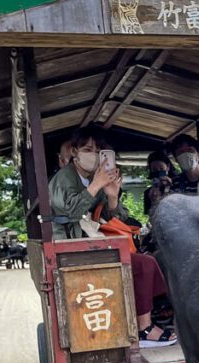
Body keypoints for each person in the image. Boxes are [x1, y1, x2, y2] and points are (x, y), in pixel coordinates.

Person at [47, 126, 176, 348]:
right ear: (75, 152)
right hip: (73, 248)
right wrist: (97, 185)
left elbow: (115, 217)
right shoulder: (63, 178)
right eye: (88, 149)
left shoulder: (91, 178)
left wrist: (112, 196)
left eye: (99, 151)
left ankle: (147, 321)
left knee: (147, 261)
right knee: (143, 264)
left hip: (97, 243)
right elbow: (70, 212)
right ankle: (143, 329)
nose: (94, 155)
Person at [143, 150, 176, 215]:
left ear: (168, 167)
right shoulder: (148, 193)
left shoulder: (178, 184)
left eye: (161, 168)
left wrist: (169, 187)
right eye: (154, 169)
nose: (158, 171)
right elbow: (150, 215)